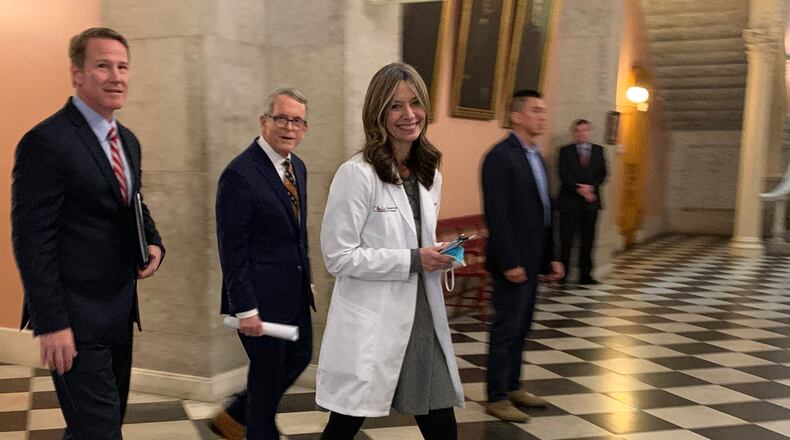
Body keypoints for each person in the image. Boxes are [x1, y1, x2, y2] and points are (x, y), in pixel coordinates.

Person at [11, 27, 165, 439]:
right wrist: (52, 323)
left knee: (97, 426)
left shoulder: (127, 141)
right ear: (76, 74)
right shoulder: (46, 142)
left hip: (119, 312)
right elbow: (32, 240)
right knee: (99, 431)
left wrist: (153, 241)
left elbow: (133, 202)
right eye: (103, 66)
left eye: (123, 66)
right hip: (75, 320)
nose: (116, 76)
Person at [316, 62, 464, 440]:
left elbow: (415, 236)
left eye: (415, 104)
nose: (408, 115)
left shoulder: (431, 173)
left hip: (422, 315)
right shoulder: (357, 174)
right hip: (375, 317)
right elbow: (338, 256)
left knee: (439, 416)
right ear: (377, 114)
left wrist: (439, 253)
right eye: (395, 106)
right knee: (346, 422)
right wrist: (415, 259)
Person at [215, 87, 316, 440]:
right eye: (282, 118)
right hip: (259, 300)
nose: (290, 127)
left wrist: (308, 279)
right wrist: (245, 309)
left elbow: (296, 234)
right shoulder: (240, 174)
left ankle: (236, 414)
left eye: (298, 121)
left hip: (295, 293)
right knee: (266, 376)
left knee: (301, 355)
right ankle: (258, 429)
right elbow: (232, 249)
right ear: (264, 121)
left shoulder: (297, 168)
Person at [481, 89, 564, 423]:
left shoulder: (535, 156)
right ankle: (496, 396)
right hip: (512, 260)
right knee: (506, 327)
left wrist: (552, 256)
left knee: (523, 325)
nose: (542, 117)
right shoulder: (501, 156)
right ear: (516, 116)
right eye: (535, 110)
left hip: (533, 255)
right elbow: (497, 214)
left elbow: (546, 211)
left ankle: (513, 385)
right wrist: (509, 262)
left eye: (544, 111)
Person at [556, 119, 607, 284]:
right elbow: (563, 173)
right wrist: (579, 188)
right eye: (578, 130)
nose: (582, 133)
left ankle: (586, 274)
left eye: (585, 130)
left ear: (589, 132)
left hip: (590, 203)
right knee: (566, 240)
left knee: (588, 241)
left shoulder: (598, 150)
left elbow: (603, 173)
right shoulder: (565, 151)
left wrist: (590, 188)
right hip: (570, 202)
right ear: (574, 133)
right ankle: (563, 273)